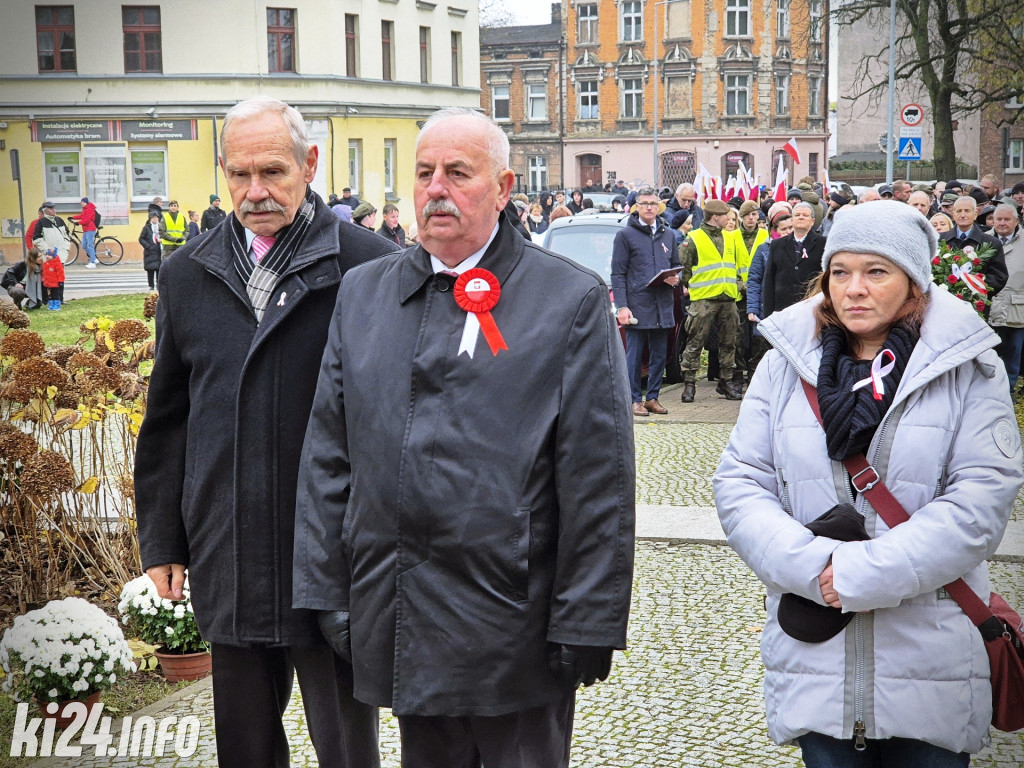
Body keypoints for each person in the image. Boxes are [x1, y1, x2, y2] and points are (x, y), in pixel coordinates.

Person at [293, 106, 635, 768]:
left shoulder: (569, 300)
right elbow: (327, 456)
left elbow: (599, 474)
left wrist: (588, 617)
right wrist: (325, 589)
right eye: (424, 173)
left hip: (517, 621)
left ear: (504, 188)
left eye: (458, 172)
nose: (436, 189)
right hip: (404, 611)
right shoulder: (365, 294)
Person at [134, 96, 394, 768]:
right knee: (244, 748)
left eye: (273, 172)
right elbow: (168, 418)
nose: (256, 192)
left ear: (310, 165)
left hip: (332, 556)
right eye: (239, 174)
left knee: (347, 747)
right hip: (231, 547)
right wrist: (163, 537)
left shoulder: (370, 266)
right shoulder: (189, 272)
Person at [714, 201, 1022, 767]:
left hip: (931, 662)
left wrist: (861, 574)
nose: (854, 288)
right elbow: (741, 481)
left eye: (876, 272)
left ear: (913, 281)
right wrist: (811, 567)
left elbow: (981, 499)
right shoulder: (785, 362)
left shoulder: (969, 366)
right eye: (841, 272)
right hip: (817, 660)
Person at [612, 187, 682, 416]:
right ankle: (634, 399)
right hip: (637, 306)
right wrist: (622, 306)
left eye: (653, 203)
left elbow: (676, 266)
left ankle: (652, 397)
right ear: (637, 207)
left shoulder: (668, 234)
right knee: (633, 356)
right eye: (644, 203)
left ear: (659, 207)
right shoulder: (625, 236)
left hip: (662, 304)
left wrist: (675, 279)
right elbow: (618, 274)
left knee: (660, 355)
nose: (649, 207)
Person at [678, 198, 743, 402]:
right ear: (716, 217)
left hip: (728, 298)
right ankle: (689, 384)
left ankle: (726, 381)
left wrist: (738, 285)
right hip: (704, 300)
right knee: (695, 342)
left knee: (729, 342)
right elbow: (683, 269)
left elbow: (736, 265)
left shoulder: (731, 237)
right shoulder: (694, 238)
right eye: (727, 216)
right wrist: (693, 288)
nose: (730, 219)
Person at [761, 201, 826, 321]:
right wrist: (768, 314)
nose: (801, 217)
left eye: (805, 215)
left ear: (812, 221)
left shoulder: (823, 244)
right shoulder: (777, 244)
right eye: (797, 215)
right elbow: (769, 279)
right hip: (783, 309)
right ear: (792, 220)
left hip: (811, 310)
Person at [942, 196, 1008, 305]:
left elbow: (999, 277)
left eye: (967, 211)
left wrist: (973, 288)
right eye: (959, 211)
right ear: (953, 214)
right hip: (946, 303)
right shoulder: (941, 240)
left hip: (976, 304)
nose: (962, 215)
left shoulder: (991, 243)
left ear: (975, 214)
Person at [989, 203, 1024, 394]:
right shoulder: (984, 239)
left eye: (1007, 219)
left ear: (1016, 221)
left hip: (1016, 309)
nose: (1002, 223)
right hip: (989, 308)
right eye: (998, 219)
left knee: (1012, 354)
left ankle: (1008, 393)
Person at [70, 196, 99, 268]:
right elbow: (81, 216)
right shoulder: (84, 209)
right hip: (86, 229)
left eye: (83, 202)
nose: (81, 203)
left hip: (90, 229)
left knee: (90, 245)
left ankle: (92, 263)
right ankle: (94, 258)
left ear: (86, 203)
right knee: (84, 245)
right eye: (81, 202)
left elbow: (87, 220)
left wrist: (78, 223)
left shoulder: (90, 209)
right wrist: (72, 217)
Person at [139, 212, 163, 290]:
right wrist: (147, 246)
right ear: (150, 219)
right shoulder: (147, 228)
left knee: (159, 270)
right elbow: (141, 239)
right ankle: (151, 285)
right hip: (150, 252)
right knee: (150, 270)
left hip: (159, 251)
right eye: (153, 218)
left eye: (156, 217)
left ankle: (159, 285)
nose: (154, 219)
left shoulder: (161, 227)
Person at [41, 246, 64, 310]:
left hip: (55, 283)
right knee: (50, 295)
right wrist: (44, 279)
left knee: (55, 295)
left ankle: (56, 305)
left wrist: (60, 281)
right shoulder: (45, 264)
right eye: (47, 255)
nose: (47, 256)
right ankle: (51, 304)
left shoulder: (57, 264)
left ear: (53, 256)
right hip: (48, 283)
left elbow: (60, 273)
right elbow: (44, 273)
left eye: (49, 255)